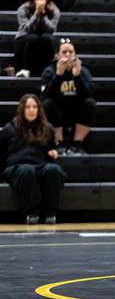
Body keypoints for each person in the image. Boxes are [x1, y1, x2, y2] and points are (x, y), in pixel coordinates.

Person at [0, 94, 64, 224]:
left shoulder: (48, 128)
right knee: (27, 170)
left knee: (54, 170)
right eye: (28, 107)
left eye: (34, 107)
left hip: (40, 165)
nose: (31, 110)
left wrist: (53, 152)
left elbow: (53, 148)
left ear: (39, 109)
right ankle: (32, 212)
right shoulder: (9, 128)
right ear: (22, 109)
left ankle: (50, 213)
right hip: (16, 167)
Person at [41, 39, 95, 155]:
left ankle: (77, 144)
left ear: (75, 55)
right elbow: (46, 96)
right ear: (57, 56)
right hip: (57, 114)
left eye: (71, 52)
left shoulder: (83, 71)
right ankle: (59, 143)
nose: (68, 55)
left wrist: (78, 77)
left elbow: (89, 94)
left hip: (77, 114)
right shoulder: (49, 71)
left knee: (90, 103)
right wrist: (58, 76)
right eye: (64, 52)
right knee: (48, 104)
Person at [14, 0, 59, 78]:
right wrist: (36, 14)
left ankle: (48, 71)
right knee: (32, 38)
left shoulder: (54, 9)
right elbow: (26, 29)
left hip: (43, 39)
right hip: (24, 38)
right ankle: (24, 69)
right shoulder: (23, 8)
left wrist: (43, 15)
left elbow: (51, 30)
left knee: (48, 38)